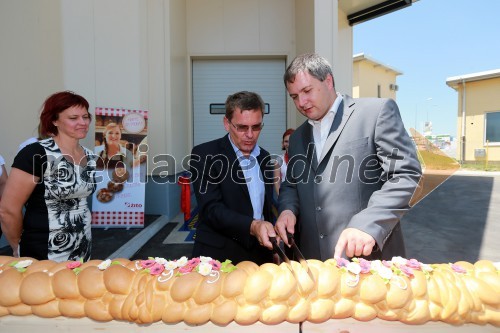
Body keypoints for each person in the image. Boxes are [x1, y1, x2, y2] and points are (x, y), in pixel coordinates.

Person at [274, 53, 422, 261]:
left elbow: (405, 175)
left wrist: (369, 224)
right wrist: (287, 210)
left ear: (328, 80)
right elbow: (291, 185)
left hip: (368, 260)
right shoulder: (297, 137)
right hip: (314, 263)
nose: (301, 102)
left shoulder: (376, 113)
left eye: (307, 91)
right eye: (294, 96)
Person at [0, 91, 97, 261]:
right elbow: (8, 210)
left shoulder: (89, 156)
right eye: (73, 118)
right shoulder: (36, 153)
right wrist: (17, 247)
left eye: (85, 116)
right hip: (43, 251)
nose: (82, 122)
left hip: (82, 248)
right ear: (54, 121)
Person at [189, 91, 276, 265]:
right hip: (218, 256)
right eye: (242, 127)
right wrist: (252, 226)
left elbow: (265, 208)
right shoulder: (204, 155)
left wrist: (272, 243)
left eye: (256, 127)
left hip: (260, 255)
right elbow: (211, 209)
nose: (250, 134)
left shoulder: (264, 157)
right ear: (227, 124)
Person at [273, 128, 295, 195]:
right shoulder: (279, 159)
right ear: (283, 143)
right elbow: (277, 182)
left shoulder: (303, 158)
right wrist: (280, 196)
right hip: (285, 195)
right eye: (286, 141)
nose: (288, 144)